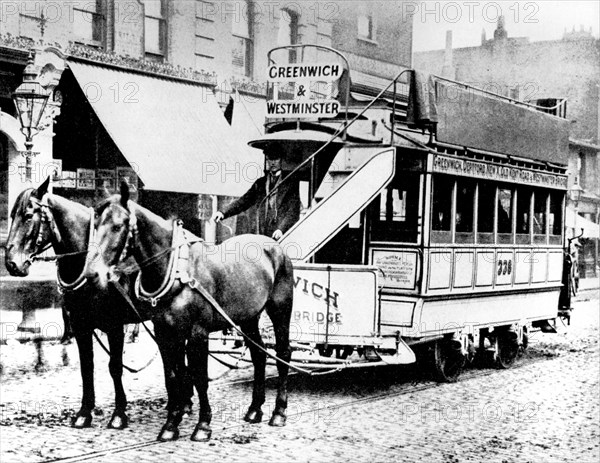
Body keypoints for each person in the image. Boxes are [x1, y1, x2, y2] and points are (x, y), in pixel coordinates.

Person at [211, 151, 301, 240]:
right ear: (267, 160)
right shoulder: (260, 183)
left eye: (276, 159)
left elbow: (293, 211)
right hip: (263, 235)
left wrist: (281, 229)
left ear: (281, 160)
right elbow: (243, 201)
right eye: (270, 158)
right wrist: (223, 212)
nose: (273, 162)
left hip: (282, 236)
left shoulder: (290, 183)